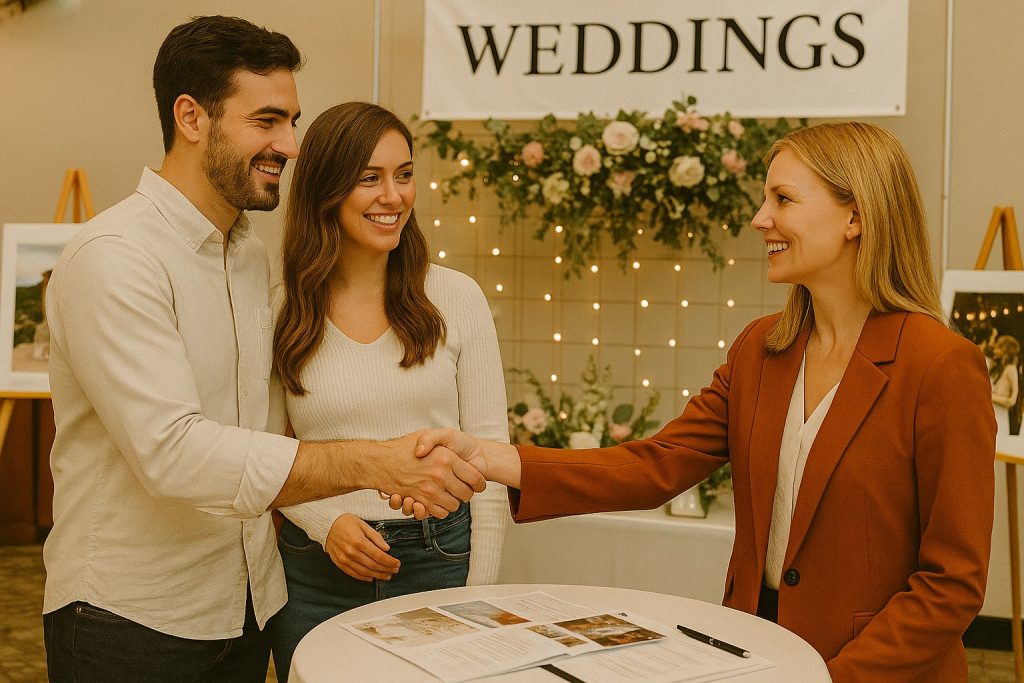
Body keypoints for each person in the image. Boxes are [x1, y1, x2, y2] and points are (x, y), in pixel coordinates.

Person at [404, 122, 996, 682]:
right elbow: (656, 465)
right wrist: (486, 456)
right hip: (758, 651)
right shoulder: (760, 350)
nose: (760, 218)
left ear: (855, 215)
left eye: (783, 200)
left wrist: (825, 679)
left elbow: (953, 583)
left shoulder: (940, 366)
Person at [41, 16, 483, 682]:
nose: (291, 145)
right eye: (268, 121)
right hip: (132, 618)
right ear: (192, 116)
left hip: (248, 604)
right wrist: (373, 463)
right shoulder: (115, 258)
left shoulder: (250, 258)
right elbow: (173, 451)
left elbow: (260, 429)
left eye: (292, 122)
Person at [266, 102, 510, 678]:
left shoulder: (457, 298)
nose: (394, 196)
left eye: (404, 174)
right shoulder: (281, 307)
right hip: (313, 571)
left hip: (441, 560)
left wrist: (480, 595)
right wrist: (326, 524)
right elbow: (263, 453)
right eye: (369, 178)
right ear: (326, 189)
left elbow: (492, 456)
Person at [990, 334, 1021, 436]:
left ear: (1006, 351)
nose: (995, 348)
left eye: (999, 346)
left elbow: (1012, 400)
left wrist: (991, 396)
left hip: (1001, 416)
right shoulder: (997, 367)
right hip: (992, 412)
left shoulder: (1011, 369)